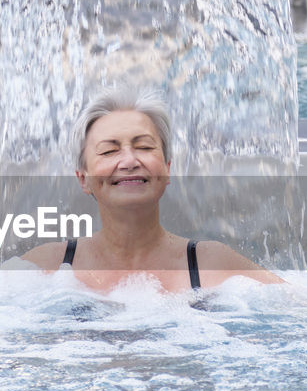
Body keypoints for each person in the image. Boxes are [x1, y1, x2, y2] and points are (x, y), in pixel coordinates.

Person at [19, 88, 283, 293]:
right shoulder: (48, 266)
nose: (130, 161)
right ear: (83, 178)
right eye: (109, 151)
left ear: (167, 169)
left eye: (144, 147)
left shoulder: (210, 264)